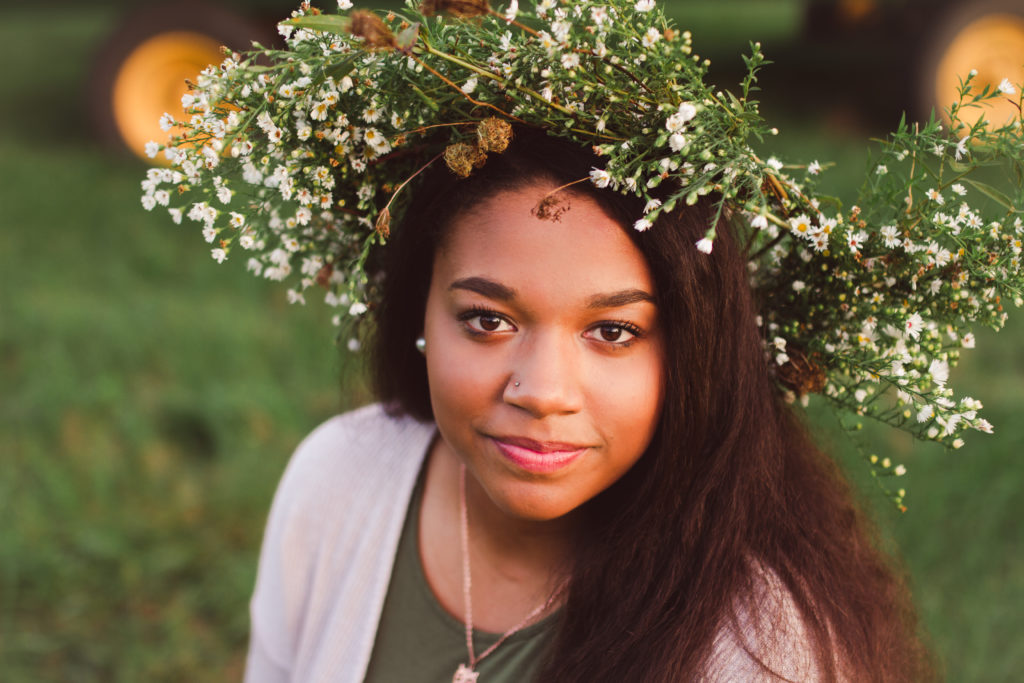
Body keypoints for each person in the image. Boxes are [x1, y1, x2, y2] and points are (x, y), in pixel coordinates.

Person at [243, 129, 932, 682]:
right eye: (487, 320)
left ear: (694, 355)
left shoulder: (760, 653)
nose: (542, 391)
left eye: (613, 331)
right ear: (419, 309)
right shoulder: (336, 479)